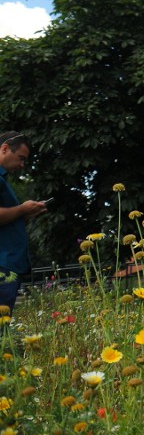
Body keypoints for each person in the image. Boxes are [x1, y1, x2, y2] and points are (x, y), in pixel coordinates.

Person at [0, 132, 48, 313]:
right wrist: (21, 209)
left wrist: (25, 215)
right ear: (5, 148)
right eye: (21, 158)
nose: (22, 165)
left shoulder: (3, 181)